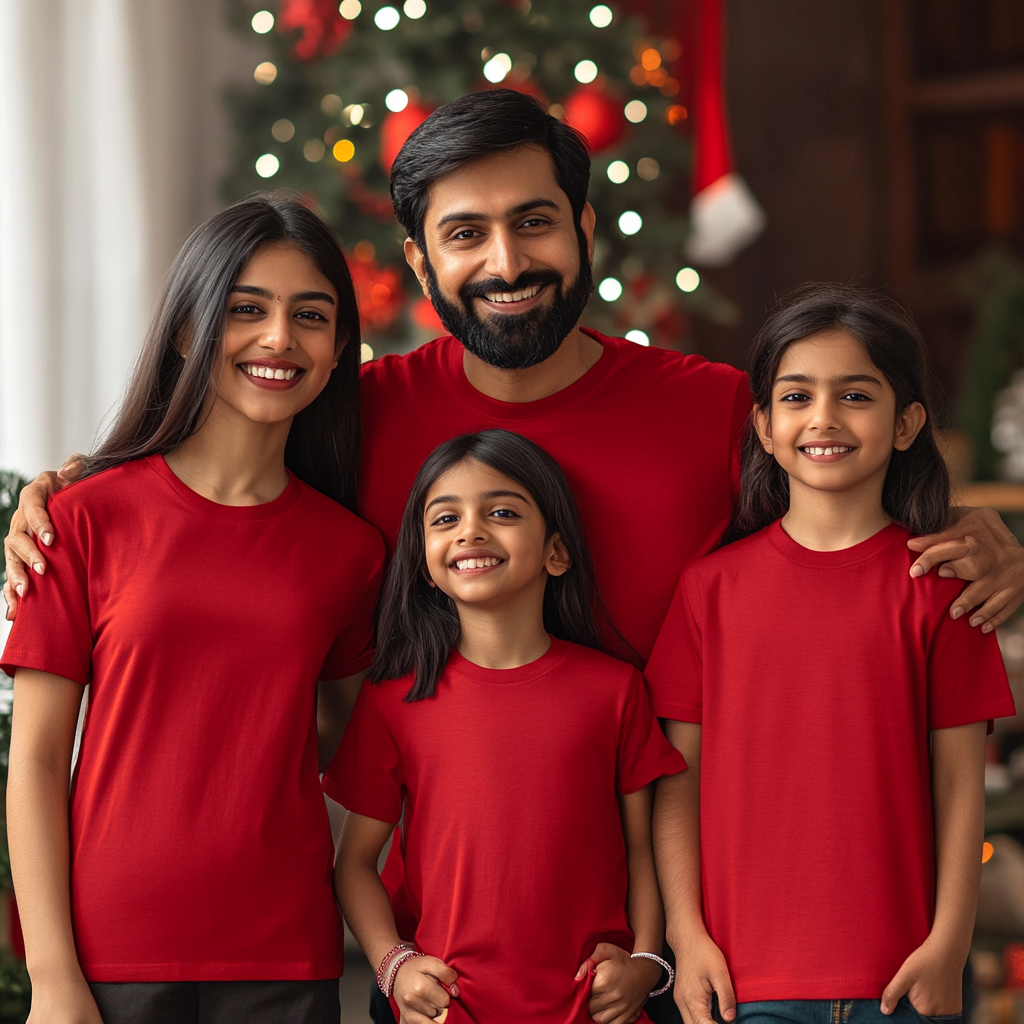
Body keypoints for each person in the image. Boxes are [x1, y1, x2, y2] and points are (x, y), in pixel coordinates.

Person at [0, 195, 384, 1024]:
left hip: (288, 952)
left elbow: (360, 748)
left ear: (338, 348)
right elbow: (33, 762)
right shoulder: (82, 518)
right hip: (110, 956)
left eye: (309, 316)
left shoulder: (352, 552)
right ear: (186, 330)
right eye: (246, 310)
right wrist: (54, 977)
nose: (279, 338)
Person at [646, 284, 1016, 1024]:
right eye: (796, 397)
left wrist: (950, 944)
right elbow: (676, 787)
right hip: (744, 983)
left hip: (907, 980)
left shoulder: (943, 590)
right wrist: (686, 939)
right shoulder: (707, 590)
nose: (823, 418)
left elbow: (958, 789)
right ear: (765, 425)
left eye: (855, 395)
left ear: (907, 423)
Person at [328, 429, 685, 1024]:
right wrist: (394, 965)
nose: (471, 530)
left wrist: (646, 959)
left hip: (591, 1008)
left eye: (501, 512)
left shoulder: (615, 689)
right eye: (445, 518)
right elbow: (354, 864)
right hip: (453, 1011)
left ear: (556, 552)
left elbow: (641, 845)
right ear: (423, 565)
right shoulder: (394, 701)